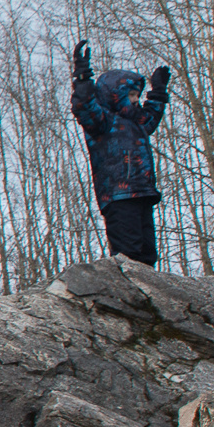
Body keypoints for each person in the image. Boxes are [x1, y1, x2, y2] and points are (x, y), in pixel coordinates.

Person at [70, 41, 169, 267]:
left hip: (142, 191)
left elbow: (151, 117)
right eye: (131, 95)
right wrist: (83, 79)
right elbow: (83, 106)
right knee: (128, 252)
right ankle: (125, 295)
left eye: (137, 95)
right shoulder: (103, 121)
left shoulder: (136, 122)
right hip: (118, 194)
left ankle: (148, 295)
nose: (135, 100)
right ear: (115, 95)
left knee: (147, 252)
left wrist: (158, 92)